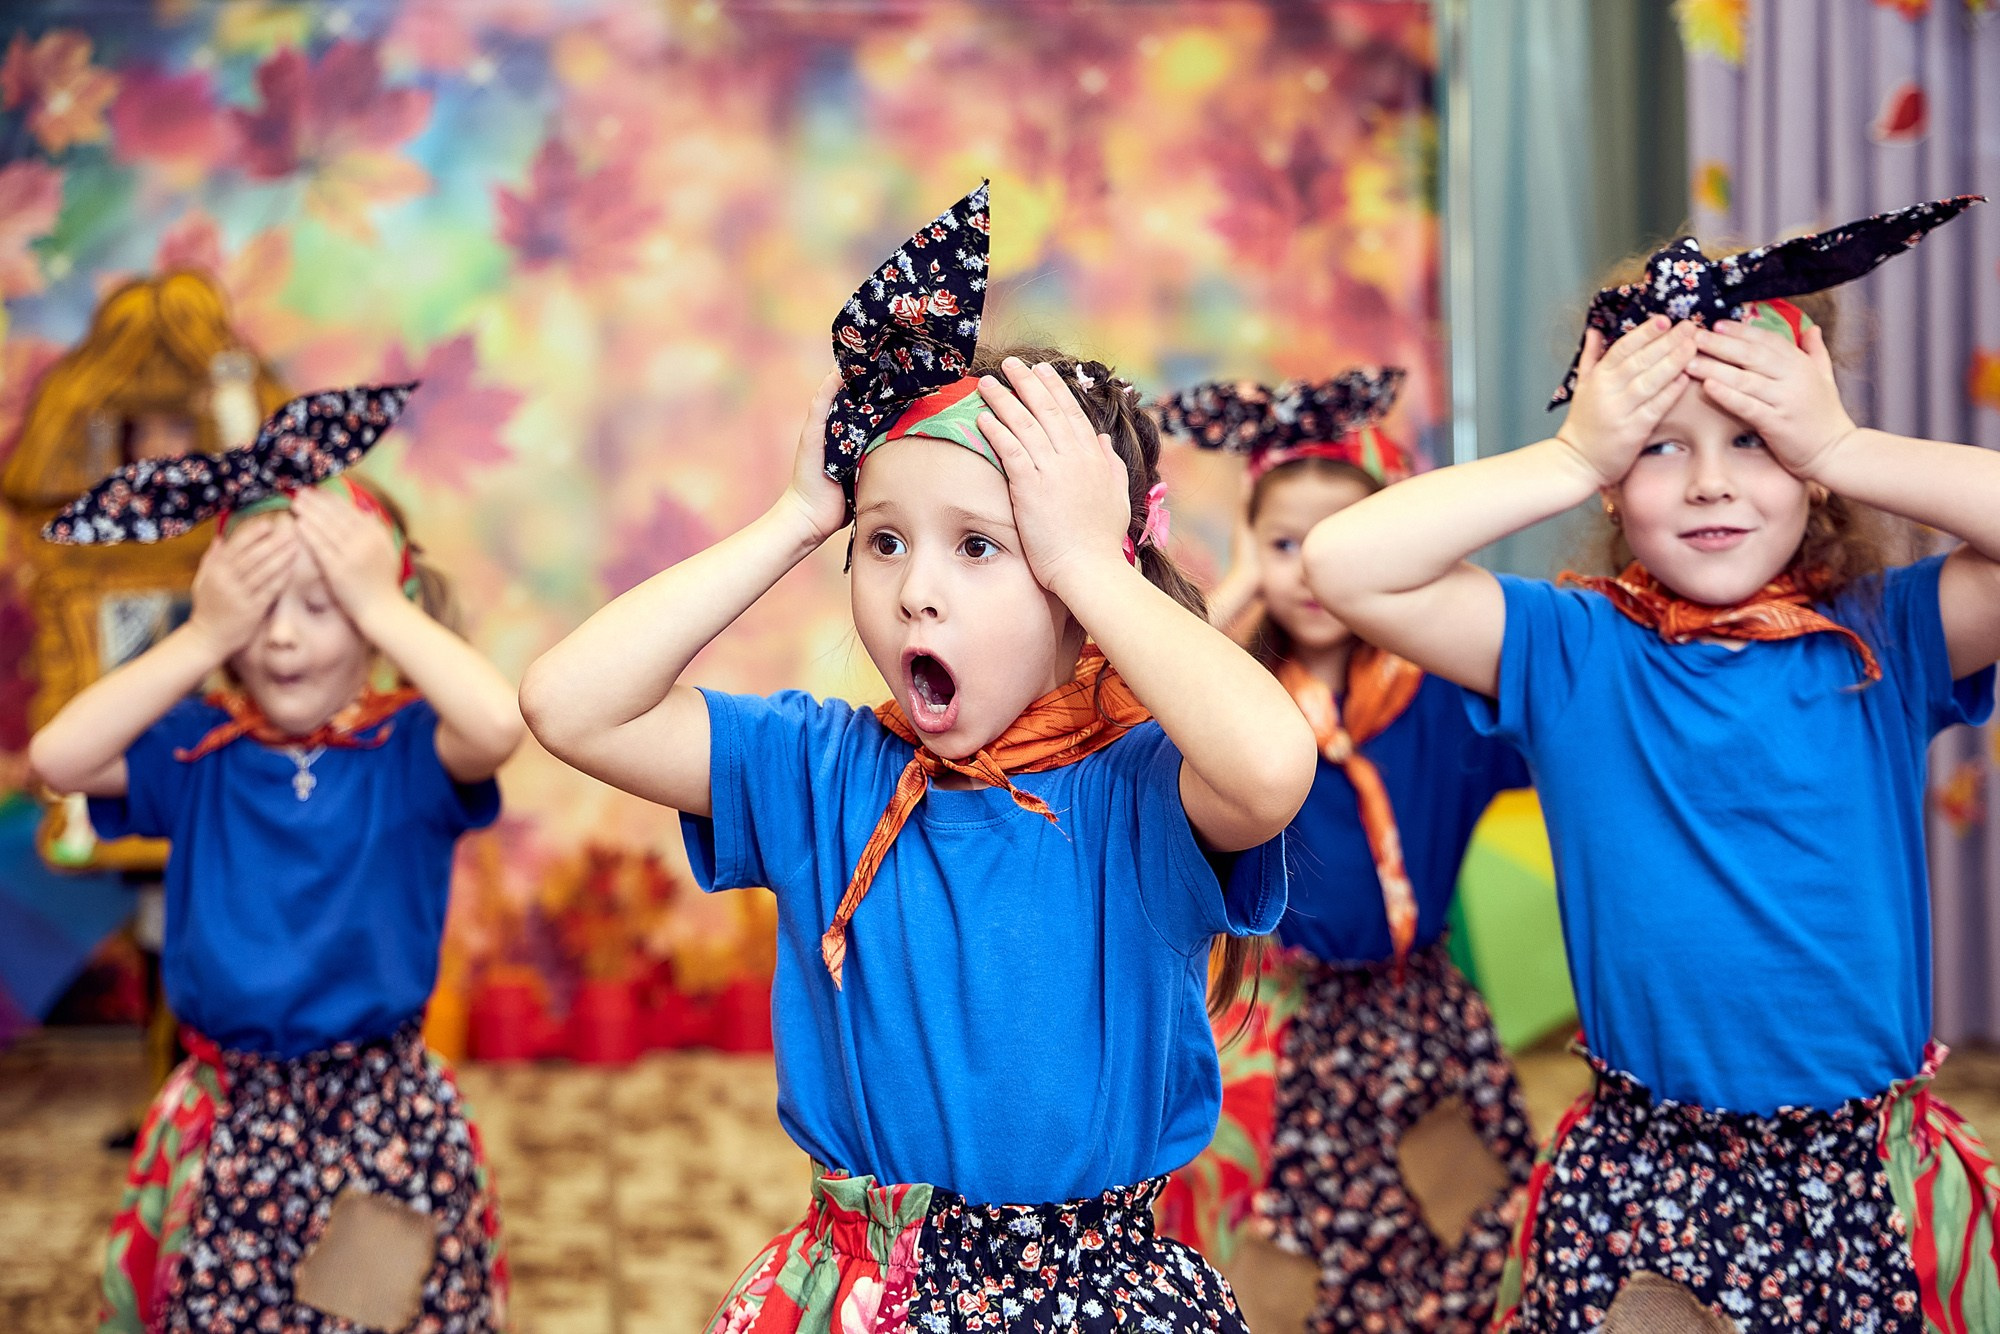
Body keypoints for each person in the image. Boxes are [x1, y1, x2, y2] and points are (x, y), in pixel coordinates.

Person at [520, 185, 1318, 1332]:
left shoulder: (1136, 792)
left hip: (1097, 1300)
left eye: (980, 546)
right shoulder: (817, 770)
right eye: (881, 541)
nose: (915, 587)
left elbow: (1269, 766)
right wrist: (797, 516)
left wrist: (1092, 563)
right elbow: (568, 702)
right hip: (858, 1294)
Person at [1302, 196, 2000, 1331]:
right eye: (1661, 447)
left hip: (1857, 1174)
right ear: (1616, 489)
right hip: (1641, 1179)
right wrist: (1573, 447)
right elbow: (1347, 560)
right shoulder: (1569, 647)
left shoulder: (1888, 630)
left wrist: (1840, 442)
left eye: (1754, 444)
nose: (1710, 483)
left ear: (1811, 477)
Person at [31, 385, 521, 1334]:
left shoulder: (411, 749)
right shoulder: (200, 749)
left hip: (382, 1124)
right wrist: (205, 632)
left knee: (373, 1319)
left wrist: (379, 598)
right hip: (230, 1121)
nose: (285, 636)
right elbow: (58, 759)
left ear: (381, 619)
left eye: (322, 606)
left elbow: (499, 722)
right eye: (258, 609)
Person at [1156, 371, 1534, 1334]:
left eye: (1339, 548)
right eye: (1284, 546)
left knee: (1459, 1231)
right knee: (1270, 1255)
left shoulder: (1448, 692)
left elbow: (1568, 730)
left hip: (1421, 1023)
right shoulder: (1231, 696)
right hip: (1276, 1025)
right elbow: (1144, 714)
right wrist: (1239, 581)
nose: (1312, 574)